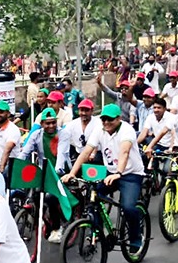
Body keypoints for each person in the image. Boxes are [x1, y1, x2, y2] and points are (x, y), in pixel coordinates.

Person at [63, 102, 147, 249]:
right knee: (93, 197)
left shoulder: (127, 130)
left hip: (131, 174)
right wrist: (72, 173)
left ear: (119, 118)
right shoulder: (99, 130)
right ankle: (98, 231)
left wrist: (119, 173)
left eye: (110, 119)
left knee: (128, 207)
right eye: (104, 119)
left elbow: (125, 152)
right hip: (110, 172)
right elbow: (86, 152)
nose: (106, 122)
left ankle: (136, 237)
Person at [20, 108, 70, 242]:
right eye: (47, 123)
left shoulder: (63, 134)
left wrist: (57, 171)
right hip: (44, 171)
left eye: (53, 122)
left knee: (50, 197)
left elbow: (61, 155)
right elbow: (25, 152)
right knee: (35, 195)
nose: (51, 126)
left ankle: (57, 227)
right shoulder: (36, 135)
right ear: (42, 124)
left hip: (61, 171)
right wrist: (17, 165)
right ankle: (42, 218)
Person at [0, 100, 21, 172]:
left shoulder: (13, 129)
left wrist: (2, 168)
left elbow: (7, 150)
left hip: (10, 165)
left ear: (8, 114)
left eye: (1, 112)